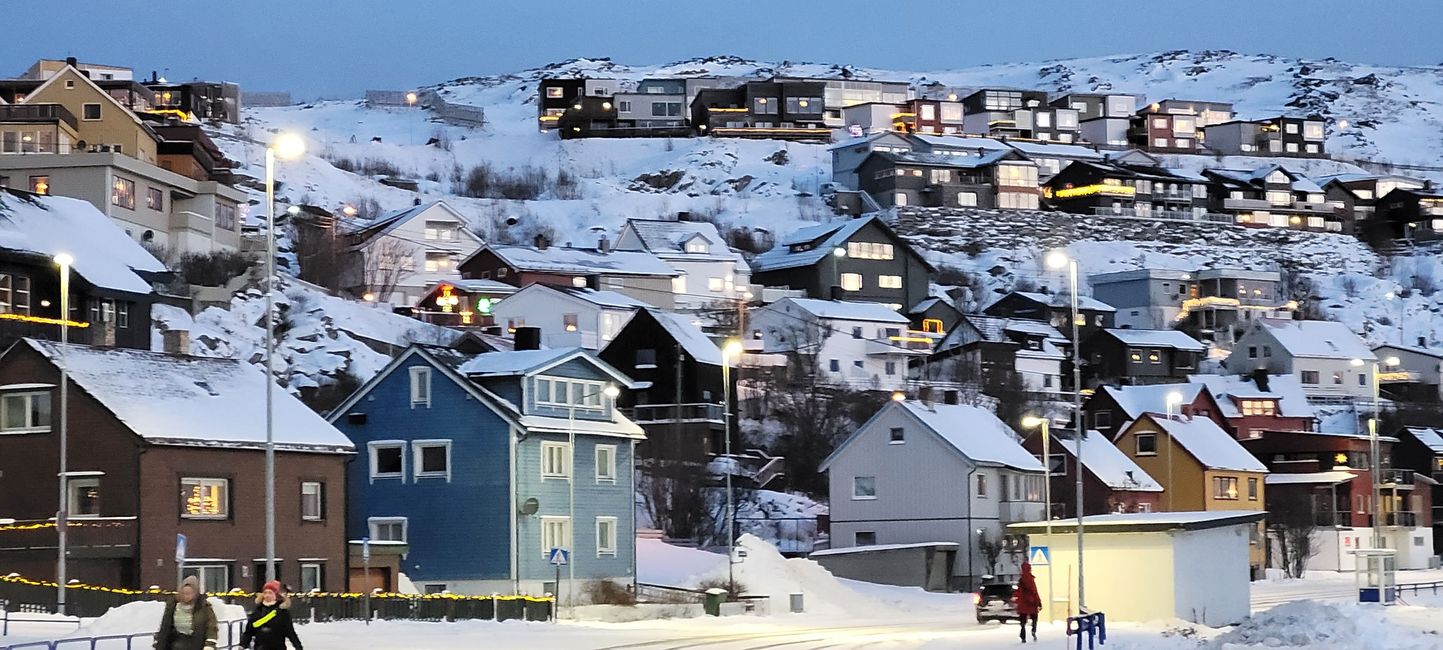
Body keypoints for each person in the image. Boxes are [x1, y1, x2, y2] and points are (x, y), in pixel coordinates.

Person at [154, 576, 219, 650]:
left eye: (189, 593)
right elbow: (165, 626)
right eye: (184, 593)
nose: (186, 596)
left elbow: (211, 627)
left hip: (198, 644)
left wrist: (210, 644)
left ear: (195, 593)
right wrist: (160, 643)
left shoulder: (204, 606)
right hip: (176, 644)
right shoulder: (173, 605)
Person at [241, 580, 303, 650]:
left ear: (276, 595)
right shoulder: (258, 610)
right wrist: (242, 645)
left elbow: (290, 632)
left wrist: (298, 646)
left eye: (270, 593)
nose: (267, 595)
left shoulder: (282, 613)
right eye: (265, 593)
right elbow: (248, 631)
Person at [1014, 562, 1042, 644]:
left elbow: (1018, 593)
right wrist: (1039, 602)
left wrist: (1016, 600)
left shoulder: (1021, 580)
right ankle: (1033, 629)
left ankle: (1023, 635)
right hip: (1032, 603)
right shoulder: (1031, 579)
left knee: (1022, 621)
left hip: (1023, 604)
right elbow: (1034, 592)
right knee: (1034, 618)